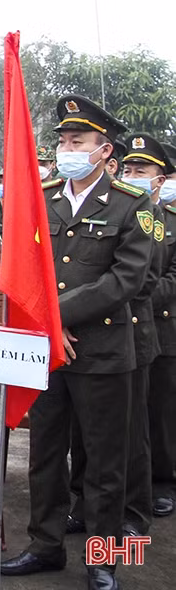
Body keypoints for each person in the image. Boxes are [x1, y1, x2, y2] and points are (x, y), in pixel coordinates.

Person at [1, 96, 152, 590]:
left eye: (77, 141)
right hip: (48, 351)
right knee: (44, 454)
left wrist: (57, 315)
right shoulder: (43, 197)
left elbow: (128, 279)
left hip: (103, 350)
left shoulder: (133, 202)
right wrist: (44, 322)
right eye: (63, 140)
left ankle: (105, 558)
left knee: (107, 461)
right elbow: (26, 265)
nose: (66, 148)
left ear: (104, 150)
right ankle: (44, 546)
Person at [66, 134, 169, 541]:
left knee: (130, 436)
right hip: (90, 330)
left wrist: (85, 307)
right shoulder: (99, 205)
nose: (131, 176)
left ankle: (133, 516)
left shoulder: (150, 215)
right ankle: (83, 504)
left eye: (140, 171)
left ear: (161, 179)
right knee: (87, 435)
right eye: (129, 170)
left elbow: (143, 281)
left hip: (134, 332)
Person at [153, 142, 176, 520]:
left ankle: (163, 481)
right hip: (125, 328)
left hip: (166, 326)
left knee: (161, 410)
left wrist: (131, 298)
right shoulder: (126, 212)